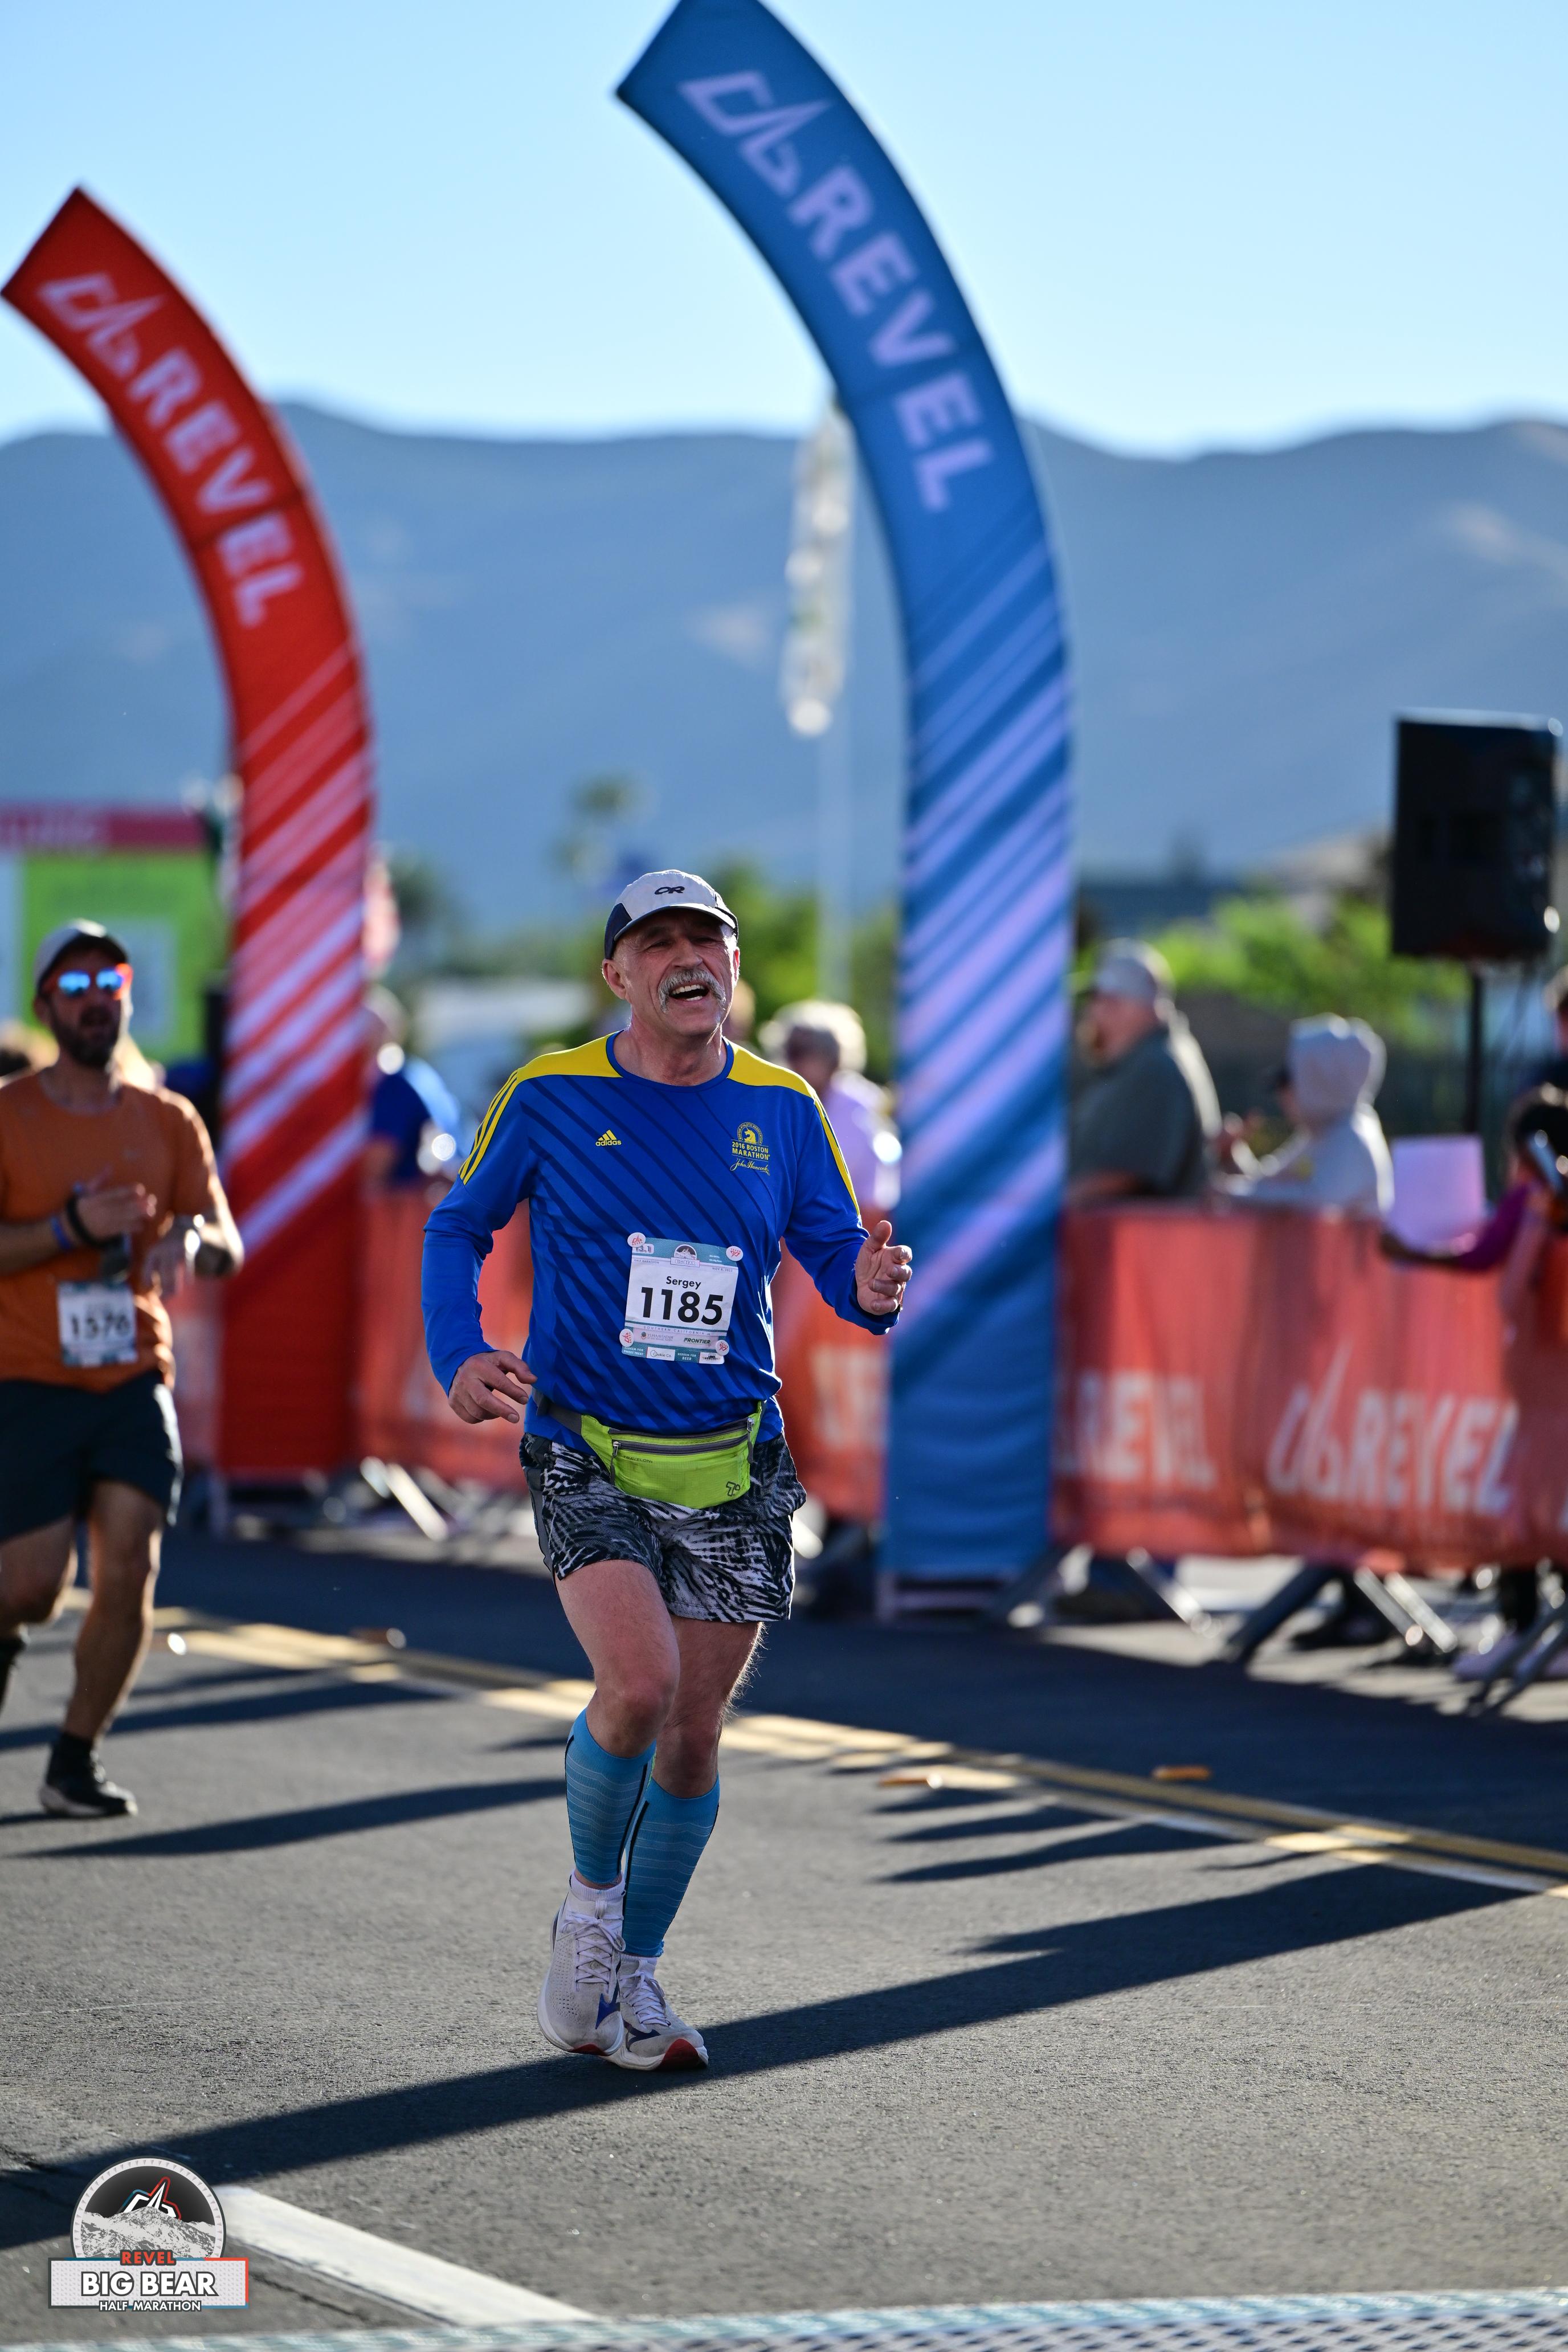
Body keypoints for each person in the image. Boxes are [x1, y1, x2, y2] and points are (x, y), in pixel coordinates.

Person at [422, 869, 910, 2072]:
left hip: (731, 1456)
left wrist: (865, 1288)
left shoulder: (783, 1107)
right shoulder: (549, 1093)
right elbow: (459, 1224)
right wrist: (458, 1349)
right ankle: (589, 1914)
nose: (686, 957)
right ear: (618, 974)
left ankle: (635, 1975)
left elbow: (833, 1249)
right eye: (658, 942)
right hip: (583, 1442)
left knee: (692, 1737)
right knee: (636, 1687)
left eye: (707, 938)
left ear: (733, 967)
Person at [0, 922, 242, 1816]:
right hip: (28, 1374)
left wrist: (190, 1234)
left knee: (131, 1563)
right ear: (46, 1007)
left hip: (134, 1373)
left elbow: (227, 1240)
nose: (97, 997)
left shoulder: (168, 1119)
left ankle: (73, 1759)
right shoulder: (10, 1116)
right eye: (76, 985)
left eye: (112, 981)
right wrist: (69, 1228)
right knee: (30, 1590)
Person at [1068, 941, 1219, 1205]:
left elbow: (1125, 1174)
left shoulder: (1155, 1067)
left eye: (1099, 999)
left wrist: (1047, 1207)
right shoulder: (1149, 1059)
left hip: (1147, 1231)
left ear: (1119, 1005)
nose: (1093, 1013)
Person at [1216, 1015, 1393, 1215]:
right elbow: (1267, 1181)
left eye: (1288, 1081)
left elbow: (1315, 1202)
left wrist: (1233, 1193)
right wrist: (1233, 1154)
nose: (1282, 1095)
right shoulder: (1323, 1133)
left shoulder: (1351, 1138)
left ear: (1320, 1080)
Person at [762, 999, 900, 1214]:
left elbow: (873, 1201)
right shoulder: (777, 1102)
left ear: (833, 1057)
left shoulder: (859, 1110)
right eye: (790, 1050)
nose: (793, 1060)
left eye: (804, 1051)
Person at [363, 987, 463, 1190]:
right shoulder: (417, 1071)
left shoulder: (395, 1083)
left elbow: (376, 1164)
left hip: (427, 1197)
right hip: (458, 1189)